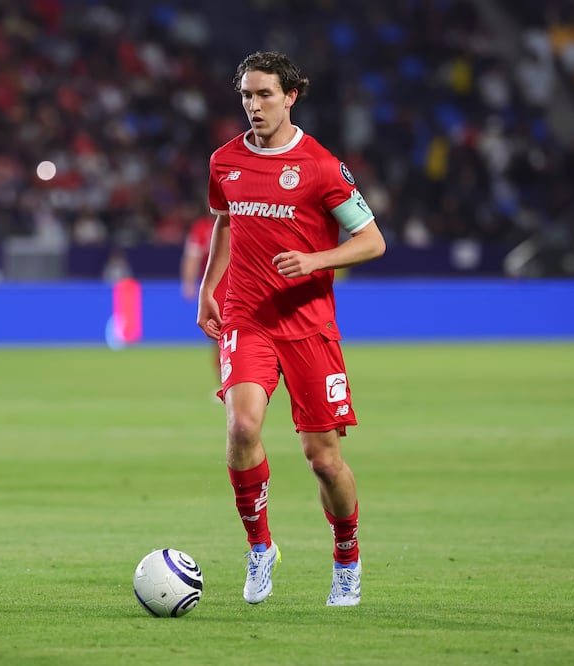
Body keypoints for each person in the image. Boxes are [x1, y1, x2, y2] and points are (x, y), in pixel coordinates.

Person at [196, 51, 386, 607]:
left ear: (290, 97)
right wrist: (211, 287)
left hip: (308, 327)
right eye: (247, 96)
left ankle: (346, 556)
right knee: (241, 429)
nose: (254, 106)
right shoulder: (225, 162)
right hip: (247, 317)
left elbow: (371, 241)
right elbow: (225, 221)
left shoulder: (321, 165)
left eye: (265, 95)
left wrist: (316, 260)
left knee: (323, 460)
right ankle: (261, 548)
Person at [181, 213, 229, 385]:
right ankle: (226, 381)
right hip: (216, 290)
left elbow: (191, 257)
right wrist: (188, 282)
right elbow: (192, 257)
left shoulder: (238, 221)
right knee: (220, 335)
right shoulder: (202, 228)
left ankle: (231, 382)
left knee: (226, 336)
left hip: (236, 287)